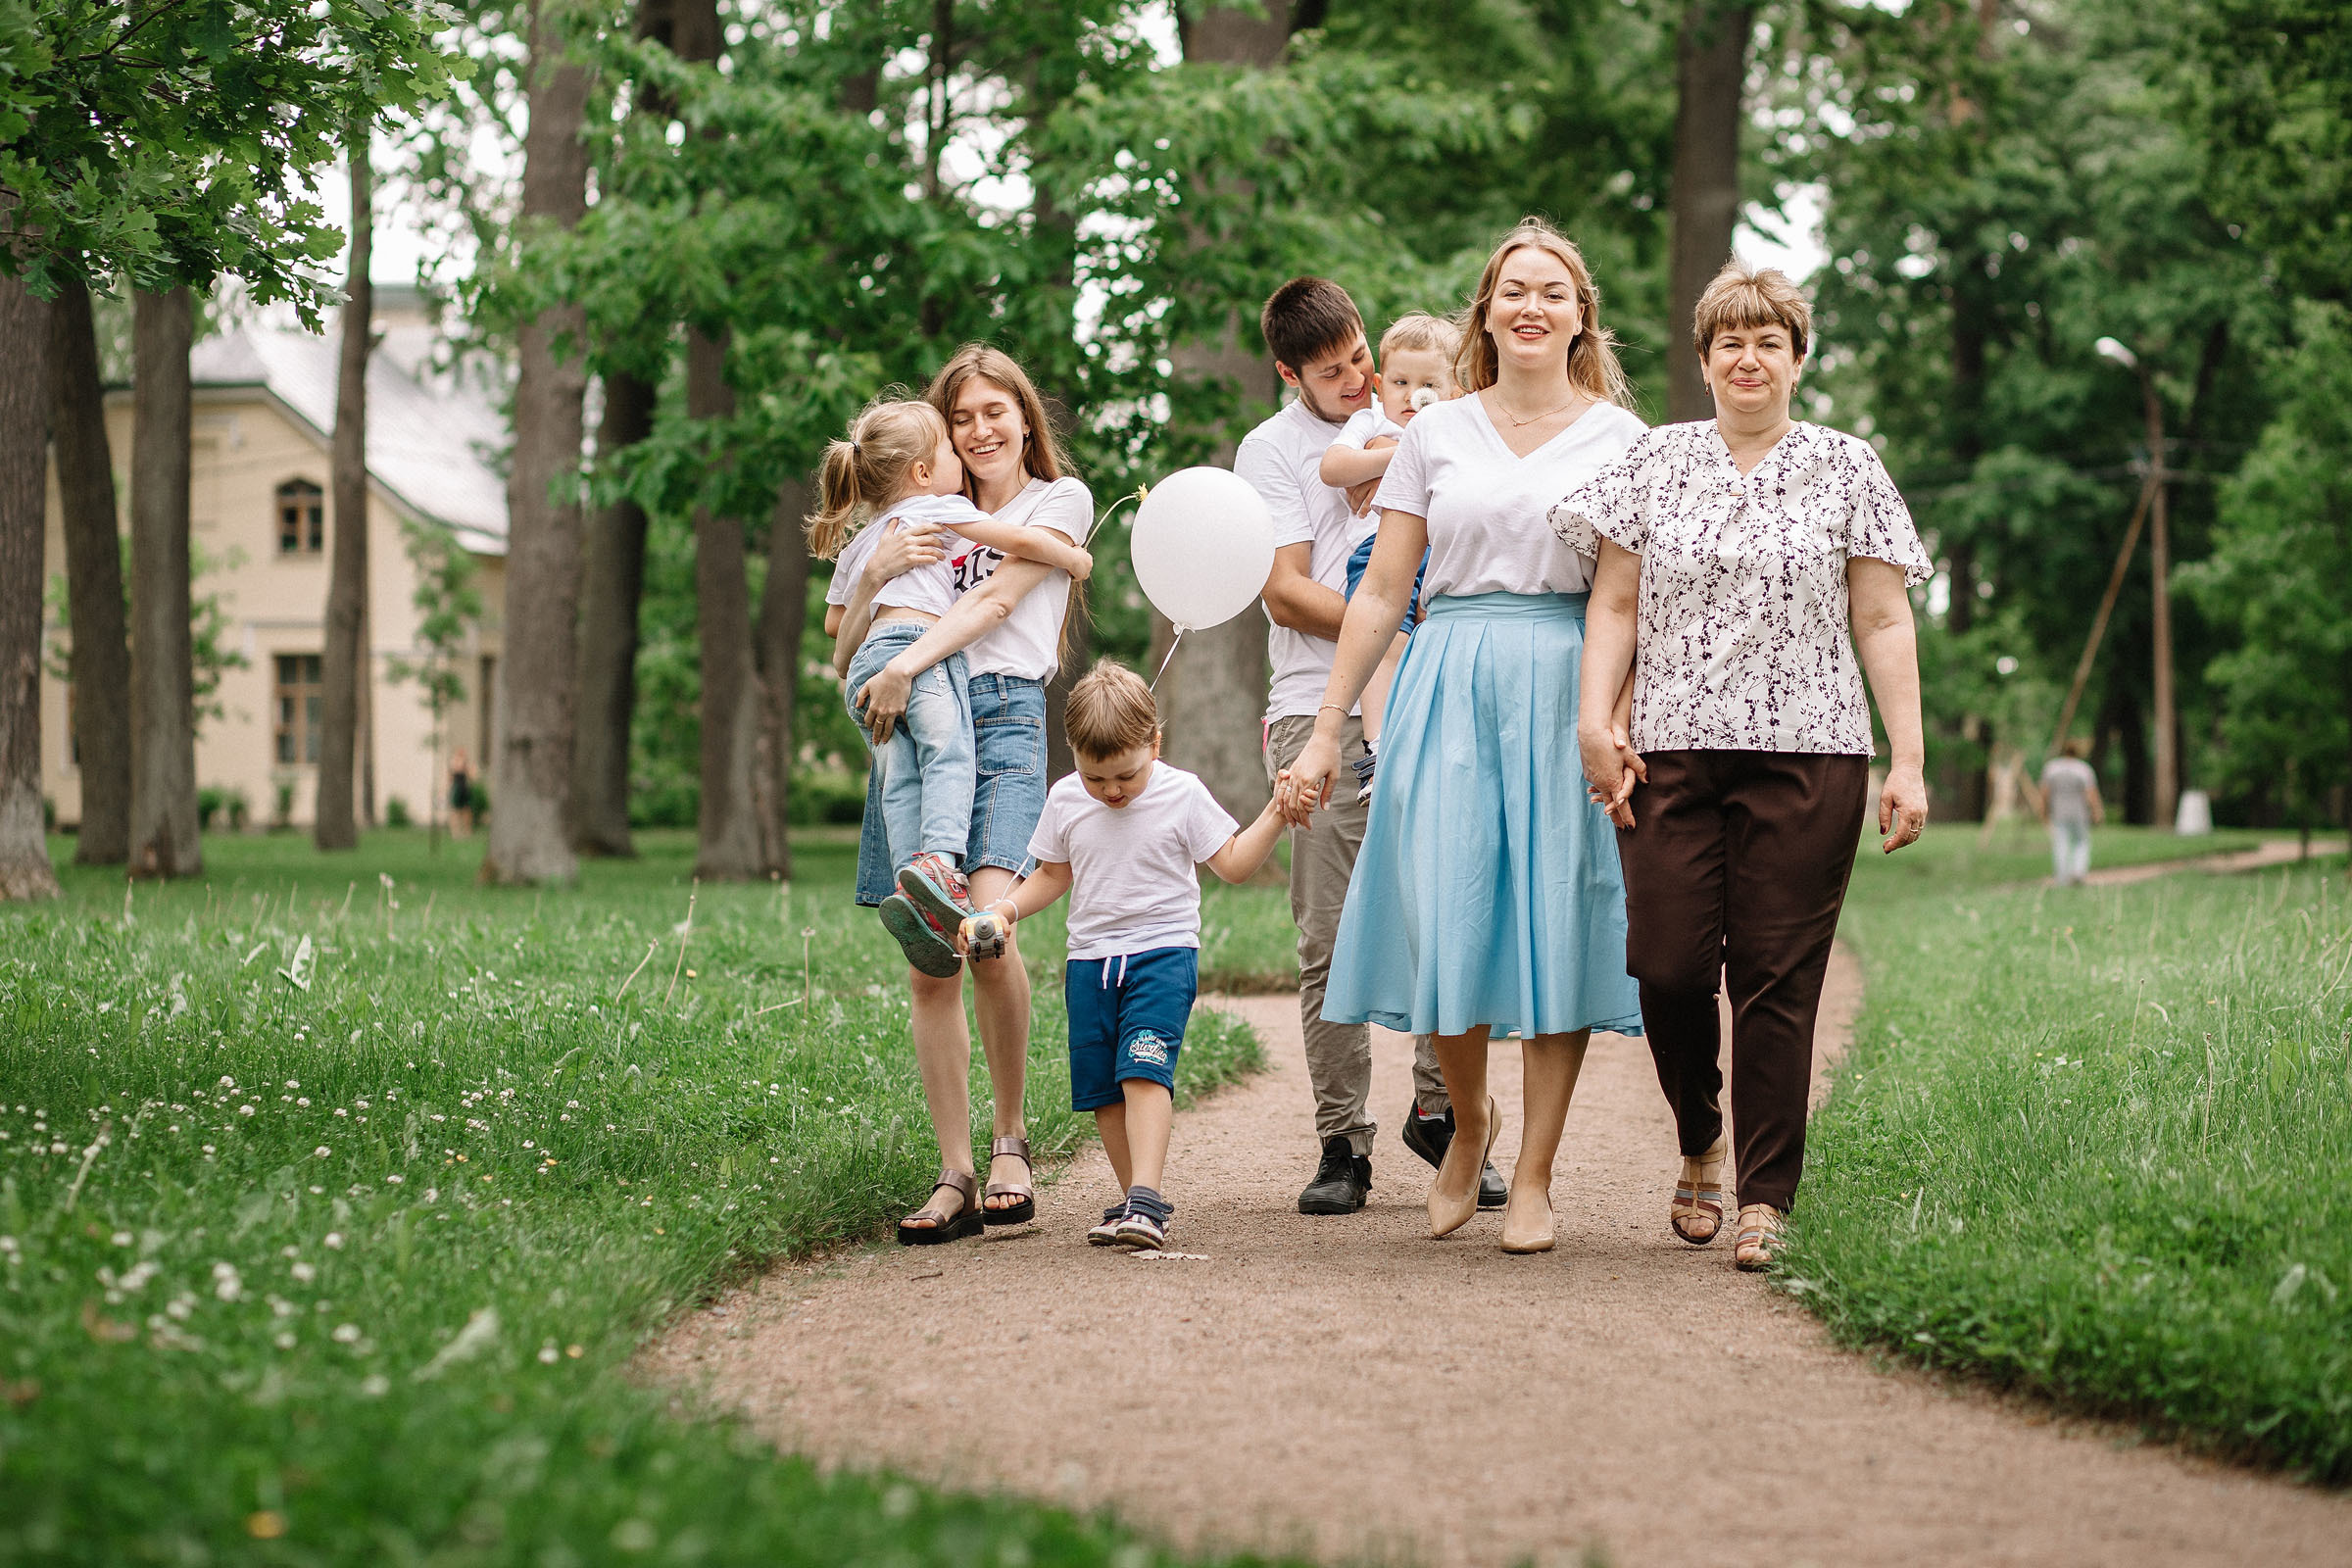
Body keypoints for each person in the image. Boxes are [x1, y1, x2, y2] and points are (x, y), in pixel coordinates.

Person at [1558, 260, 1931, 1271]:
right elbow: (1615, 604)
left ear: (1799, 359)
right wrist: (1594, 720)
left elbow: (1882, 617)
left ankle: (1767, 1195)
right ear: (1705, 359)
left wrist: (1908, 760)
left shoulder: (1848, 467)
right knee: (1668, 966)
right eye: (1731, 341)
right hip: (1667, 754)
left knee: (1776, 978)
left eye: (1770, 341)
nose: (1749, 358)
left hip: (1813, 755)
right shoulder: (1655, 460)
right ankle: (1699, 1137)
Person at [1286, 219, 1649, 1254]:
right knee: (1450, 908)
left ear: (1581, 318)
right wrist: (1325, 731)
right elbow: (1382, 593)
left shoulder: (1623, 442)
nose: (1532, 306)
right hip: (1447, 679)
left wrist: (1611, 719)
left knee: (1557, 916)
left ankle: (1535, 1172)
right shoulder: (1435, 432)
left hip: (1566, 681)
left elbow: (1628, 600)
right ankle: (1468, 1124)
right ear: (1486, 313)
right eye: (1513, 290)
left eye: (1553, 291)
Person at [824, 346, 1094, 1245]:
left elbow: (993, 607)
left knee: (985, 928)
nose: (979, 431)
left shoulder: (1055, 500)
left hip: (1001, 714)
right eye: (961, 418)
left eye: (994, 412)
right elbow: (842, 645)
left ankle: (1011, 1140)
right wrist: (873, 579)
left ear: (1025, 417)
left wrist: (905, 662)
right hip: (911, 715)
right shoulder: (910, 519)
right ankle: (955, 1172)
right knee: (927, 956)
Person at [1238, 278, 1494, 1218]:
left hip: (1429, 694)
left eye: (1360, 360)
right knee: (1329, 934)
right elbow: (1284, 592)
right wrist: (1393, 627)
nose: (1356, 380)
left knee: (1440, 913)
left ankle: (1442, 1113)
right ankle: (1342, 1139)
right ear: (1289, 375)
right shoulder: (1273, 452)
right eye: (1331, 372)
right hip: (1317, 706)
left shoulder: (1432, 421)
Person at [959, 661, 1286, 1250]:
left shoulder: (1182, 793)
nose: (1111, 791)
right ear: (1074, 756)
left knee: (1142, 1069)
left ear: (1155, 743)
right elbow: (1052, 874)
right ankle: (1134, 1199)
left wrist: (1277, 813)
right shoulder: (1066, 798)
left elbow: (1234, 863)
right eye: (1095, 778)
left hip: (1162, 956)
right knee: (1102, 1092)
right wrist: (1004, 909)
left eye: (1126, 776)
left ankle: (1147, 1199)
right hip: (1089, 963)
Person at [811, 396, 1092, 978]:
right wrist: (1072, 557)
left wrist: (872, 578)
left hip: (870, 670)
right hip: (917, 657)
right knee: (948, 755)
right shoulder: (939, 508)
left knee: (901, 779)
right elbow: (1023, 544)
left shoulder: (866, 537)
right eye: (952, 434)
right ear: (921, 471)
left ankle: (913, 886)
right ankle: (938, 863)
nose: (963, 448)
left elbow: (837, 635)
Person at [1316, 313, 1460, 801]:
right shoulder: (1372, 422)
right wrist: (1400, 455)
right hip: (1378, 550)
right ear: (1379, 385)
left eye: (1428, 385)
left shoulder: (1456, 427)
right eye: (1400, 382)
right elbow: (1334, 467)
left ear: (1455, 391)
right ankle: (1378, 750)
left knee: (1439, 648)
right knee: (1386, 644)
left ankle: (1428, 751)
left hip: (1442, 555)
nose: (1412, 395)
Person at [2038, 740, 2104, 885]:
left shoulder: (2051, 768)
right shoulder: (2083, 769)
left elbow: (2044, 792)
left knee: (2060, 844)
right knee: (2081, 842)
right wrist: (2097, 811)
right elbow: (2091, 793)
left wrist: (2043, 811)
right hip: (2079, 812)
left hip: (2059, 812)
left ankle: (2062, 878)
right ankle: (2078, 872)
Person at [447, 748, 473, 838]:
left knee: (467, 811)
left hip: (464, 788)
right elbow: (450, 776)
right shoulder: (454, 762)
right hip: (457, 788)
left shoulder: (466, 764)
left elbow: (471, 776)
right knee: (455, 810)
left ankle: (466, 831)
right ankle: (455, 832)